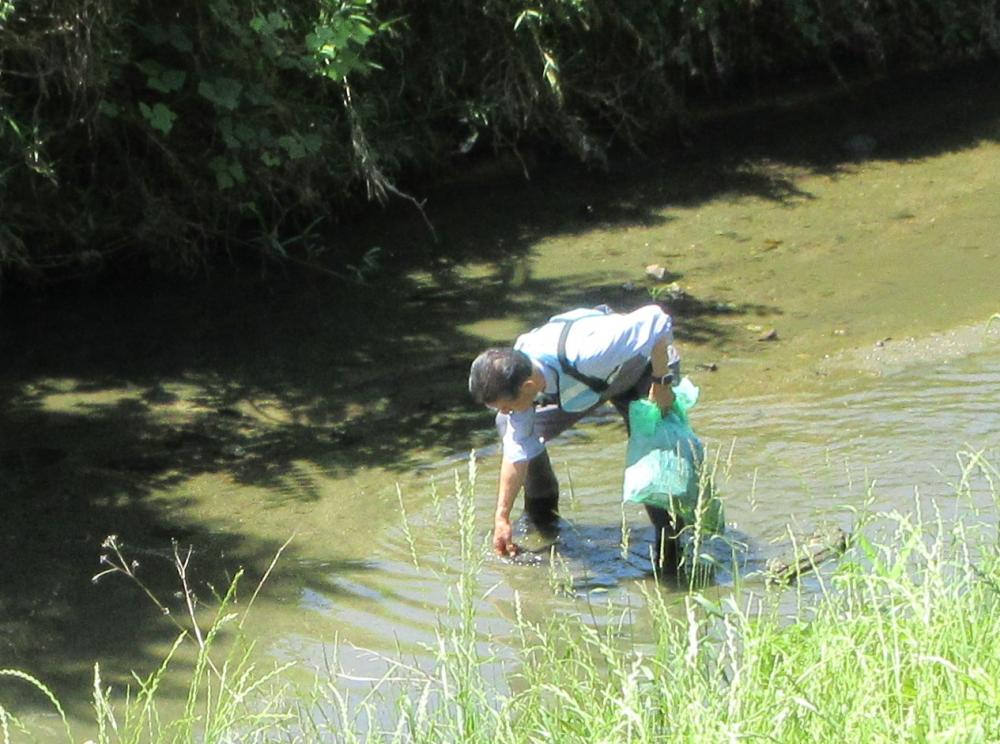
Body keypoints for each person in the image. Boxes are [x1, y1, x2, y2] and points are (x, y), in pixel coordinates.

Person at [468, 304, 683, 573]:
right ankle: (543, 521)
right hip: (585, 386)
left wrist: (661, 383)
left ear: (528, 388)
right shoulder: (522, 377)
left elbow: (657, 319)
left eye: (508, 405)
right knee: (508, 426)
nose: (506, 412)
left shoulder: (592, 352)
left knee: (652, 465)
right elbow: (516, 449)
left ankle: (673, 554)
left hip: (641, 366)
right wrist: (501, 517)